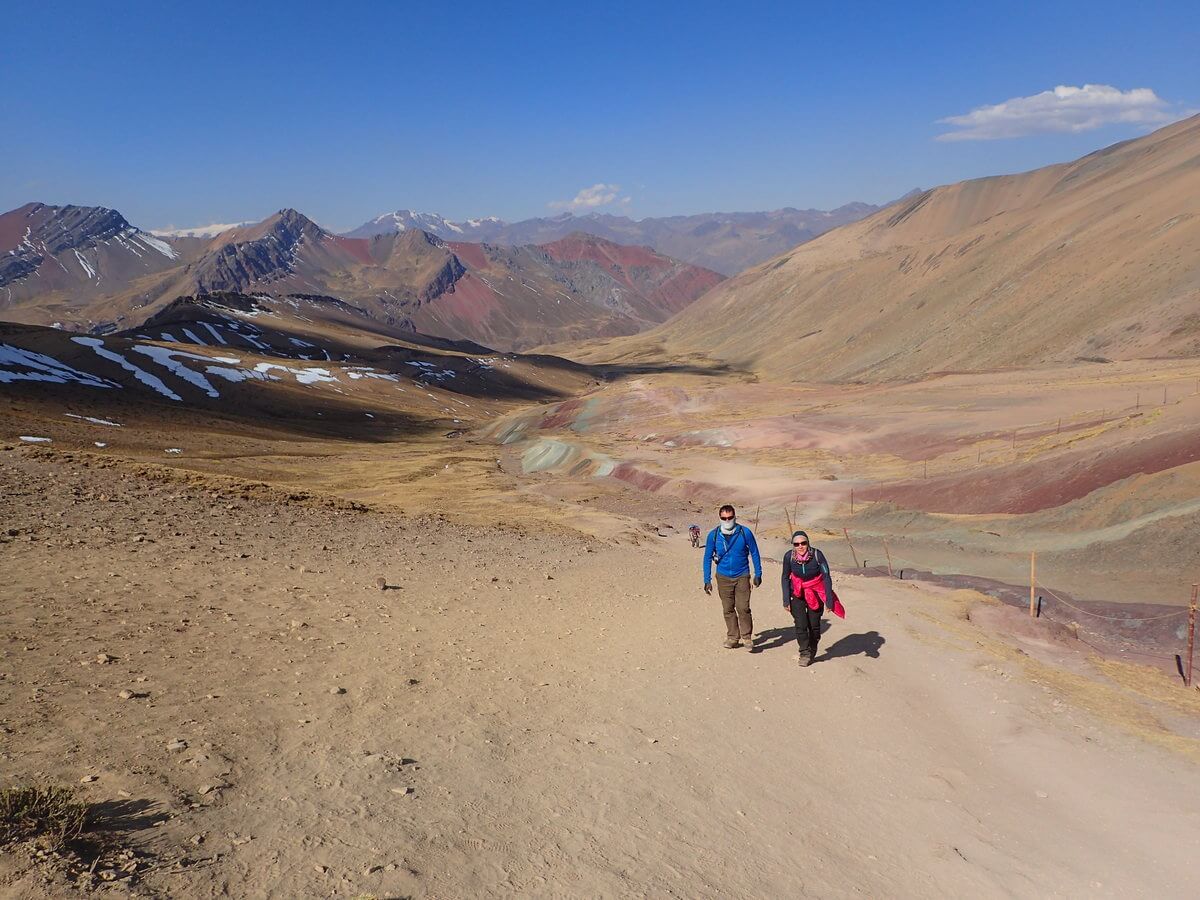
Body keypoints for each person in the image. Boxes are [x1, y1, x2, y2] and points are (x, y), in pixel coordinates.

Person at [702, 505, 762, 651]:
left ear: (735, 517)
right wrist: (707, 579)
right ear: (720, 518)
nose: (727, 520)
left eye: (730, 517)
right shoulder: (714, 535)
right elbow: (707, 557)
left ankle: (746, 637)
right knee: (728, 608)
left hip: (742, 575)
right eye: (724, 518)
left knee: (743, 608)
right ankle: (733, 637)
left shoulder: (744, 533)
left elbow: (754, 552)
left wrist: (758, 573)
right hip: (723, 577)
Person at [781, 530, 834, 666]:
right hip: (797, 592)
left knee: (814, 626)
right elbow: (785, 577)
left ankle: (813, 648)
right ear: (793, 545)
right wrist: (786, 599)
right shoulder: (789, 557)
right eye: (796, 544)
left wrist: (829, 600)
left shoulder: (817, 555)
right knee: (801, 624)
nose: (800, 546)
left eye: (803, 543)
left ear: (808, 543)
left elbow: (826, 576)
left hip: (815, 591)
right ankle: (804, 652)